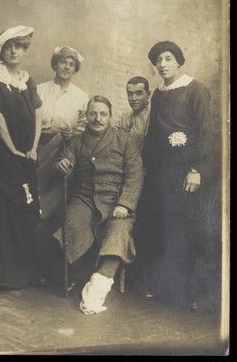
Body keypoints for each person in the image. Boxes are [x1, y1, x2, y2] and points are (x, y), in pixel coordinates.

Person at [43, 95, 143, 314]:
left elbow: (135, 176)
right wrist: (62, 167)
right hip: (85, 197)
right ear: (86, 116)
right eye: (93, 114)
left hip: (116, 200)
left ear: (110, 116)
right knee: (72, 224)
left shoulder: (125, 139)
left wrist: (125, 204)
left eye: (103, 114)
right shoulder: (76, 141)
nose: (98, 119)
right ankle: (78, 275)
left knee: (118, 231)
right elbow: (60, 171)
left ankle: (98, 287)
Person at [139, 41, 211, 310]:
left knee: (183, 227)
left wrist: (196, 169)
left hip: (185, 169)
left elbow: (206, 133)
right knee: (161, 227)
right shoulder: (158, 94)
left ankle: (191, 292)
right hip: (160, 169)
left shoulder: (195, 89)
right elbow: (153, 134)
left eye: (168, 59)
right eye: (158, 60)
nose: (163, 64)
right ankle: (165, 288)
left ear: (178, 61)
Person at [0, 25, 42, 290]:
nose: (15, 51)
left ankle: (21, 274)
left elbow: (37, 115)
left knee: (23, 211)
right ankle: (1, 276)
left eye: (21, 46)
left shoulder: (27, 80)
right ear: (1, 49)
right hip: (0, 158)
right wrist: (12, 149)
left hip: (26, 156)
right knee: (1, 211)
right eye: (10, 46)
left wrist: (33, 148)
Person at [36, 46, 89, 220]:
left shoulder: (81, 96)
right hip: (37, 147)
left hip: (63, 150)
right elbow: (29, 121)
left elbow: (83, 128)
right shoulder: (39, 90)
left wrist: (72, 133)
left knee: (55, 201)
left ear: (75, 69)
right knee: (34, 193)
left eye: (71, 64)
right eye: (63, 62)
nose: (66, 67)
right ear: (55, 65)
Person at [117, 76, 151, 149]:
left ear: (148, 94)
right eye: (130, 94)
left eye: (138, 94)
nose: (133, 98)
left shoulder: (153, 117)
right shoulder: (125, 116)